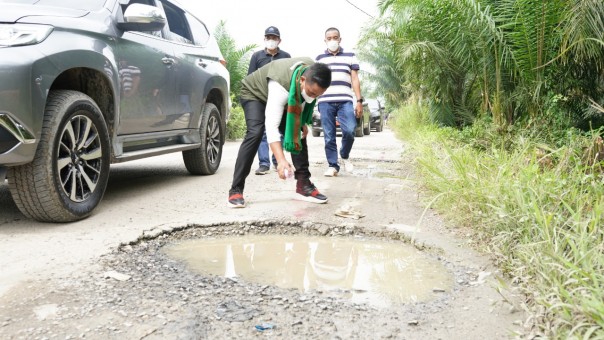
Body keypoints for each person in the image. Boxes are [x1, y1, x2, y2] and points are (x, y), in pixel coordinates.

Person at [228, 57, 332, 208]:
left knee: (297, 130)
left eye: (318, 95)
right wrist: (281, 161)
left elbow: (299, 103)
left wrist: (300, 122)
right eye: (311, 92)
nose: (312, 97)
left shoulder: (310, 70)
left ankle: (304, 185)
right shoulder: (281, 86)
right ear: (302, 80)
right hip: (255, 94)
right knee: (256, 132)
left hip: (284, 95)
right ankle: (236, 189)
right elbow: (271, 126)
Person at [315, 27, 363, 177]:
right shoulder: (320, 59)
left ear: (340, 39)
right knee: (329, 135)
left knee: (349, 130)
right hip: (325, 101)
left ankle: (345, 154)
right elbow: (316, 80)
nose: (332, 41)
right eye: (329, 38)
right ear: (325, 40)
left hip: (345, 101)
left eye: (335, 38)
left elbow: (354, 79)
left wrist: (359, 101)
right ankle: (333, 165)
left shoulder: (350, 56)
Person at [248, 26, 292, 175]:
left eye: (274, 38)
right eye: (268, 37)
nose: (271, 40)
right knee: (262, 131)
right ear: (264, 39)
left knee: (278, 130)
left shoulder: (286, 56)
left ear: (279, 40)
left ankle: (276, 160)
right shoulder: (257, 56)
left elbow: (290, 78)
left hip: (279, 100)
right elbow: (251, 78)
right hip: (261, 98)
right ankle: (264, 163)